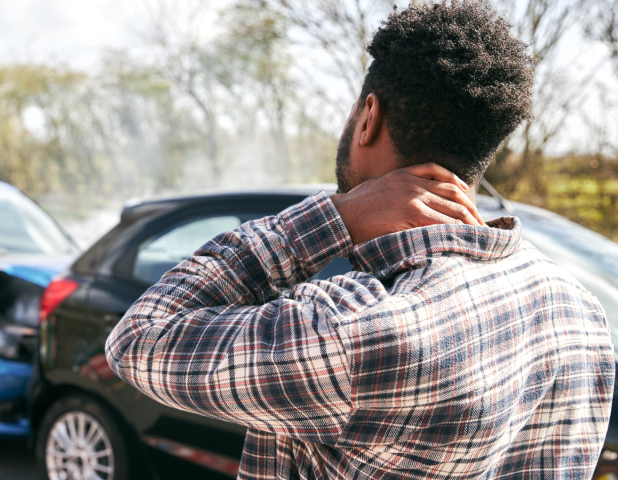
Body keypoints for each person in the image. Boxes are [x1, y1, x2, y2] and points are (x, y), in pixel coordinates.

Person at [105, 2, 615, 478]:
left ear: (368, 117)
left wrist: (337, 216)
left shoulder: (353, 330)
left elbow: (139, 338)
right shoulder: (580, 311)